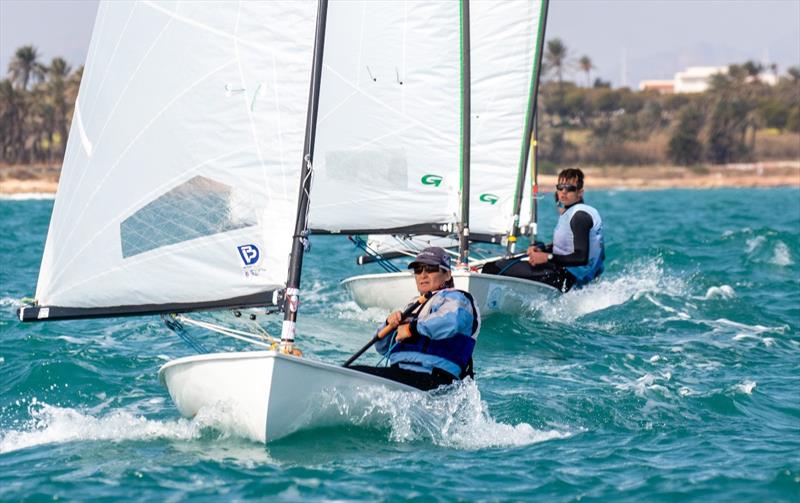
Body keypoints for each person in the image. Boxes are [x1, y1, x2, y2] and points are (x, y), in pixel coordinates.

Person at [350, 247, 480, 391]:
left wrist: (411, 328)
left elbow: (451, 322)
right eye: (418, 270)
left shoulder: (458, 298)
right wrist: (389, 324)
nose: (423, 275)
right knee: (351, 371)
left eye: (430, 269)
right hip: (403, 375)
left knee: (353, 374)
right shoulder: (413, 305)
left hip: (435, 381)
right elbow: (382, 348)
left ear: (447, 274)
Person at [482, 168, 604, 292]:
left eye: (569, 188)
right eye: (560, 187)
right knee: (507, 263)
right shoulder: (576, 212)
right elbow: (566, 248)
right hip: (570, 276)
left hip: (565, 278)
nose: (563, 192)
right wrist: (542, 249)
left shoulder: (579, 217)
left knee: (492, 268)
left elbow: (581, 257)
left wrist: (547, 257)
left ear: (580, 192)